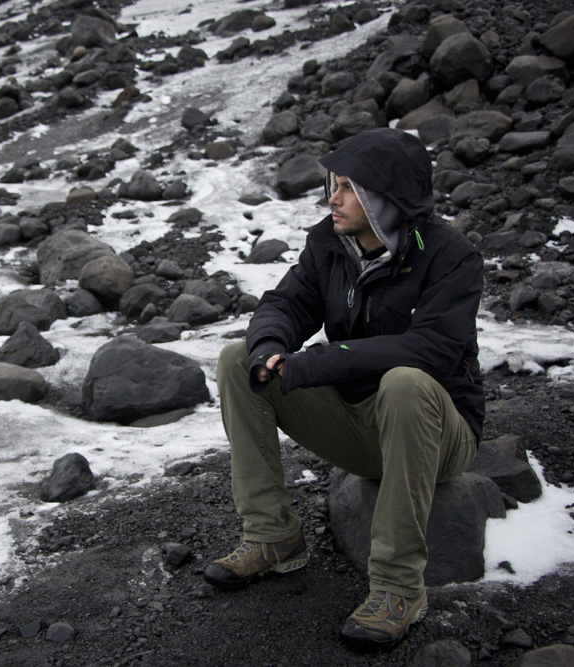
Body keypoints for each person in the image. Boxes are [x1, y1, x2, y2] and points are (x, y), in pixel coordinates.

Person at [204, 128, 485, 648]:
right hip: (361, 426)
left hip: (438, 435)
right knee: (237, 359)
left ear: (388, 199)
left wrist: (320, 362)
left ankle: (399, 588)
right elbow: (285, 304)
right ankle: (273, 536)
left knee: (404, 383)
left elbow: (433, 350)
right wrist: (270, 342)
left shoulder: (449, 255)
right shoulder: (330, 243)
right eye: (334, 184)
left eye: (350, 188)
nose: (333, 197)